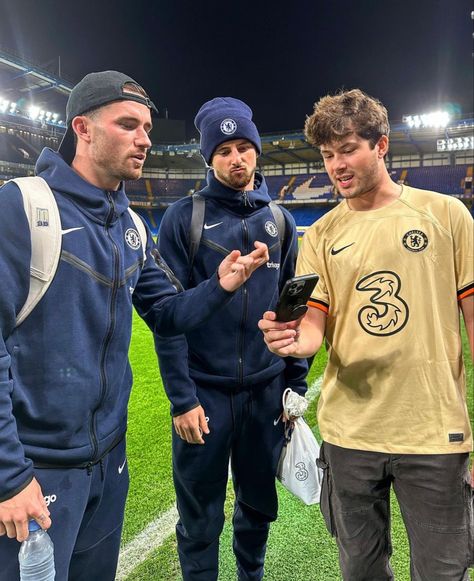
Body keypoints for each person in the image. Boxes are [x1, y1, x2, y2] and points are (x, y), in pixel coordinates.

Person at [0, 71, 269, 581]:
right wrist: (10, 477)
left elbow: (167, 314)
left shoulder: (130, 225)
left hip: (109, 459)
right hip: (37, 471)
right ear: (82, 127)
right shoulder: (21, 207)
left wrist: (222, 285)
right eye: (128, 125)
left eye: (147, 126)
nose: (145, 138)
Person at [259, 89, 474, 580]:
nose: (336, 165)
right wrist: (293, 341)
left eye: (348, 148)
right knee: (360, 571)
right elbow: (315, 328)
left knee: (443, 573)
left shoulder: (446, 216)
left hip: (434, 432)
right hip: (350, 434)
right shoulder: (322, 234)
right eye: (328, 155)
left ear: (381, 145)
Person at [155, 97, 308, 580]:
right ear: (208, 158)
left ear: (257, 152)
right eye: (224, 150)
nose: (236, 158)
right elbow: (168, 317)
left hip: (266, 393)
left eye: (244, 146)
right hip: (204, 394)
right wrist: (182, 398)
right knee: (200, 515)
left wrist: (295, 385)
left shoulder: (281, 222)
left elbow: (293, 307)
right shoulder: (184, 219)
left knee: (258, 505)